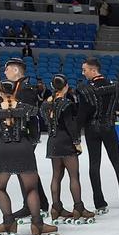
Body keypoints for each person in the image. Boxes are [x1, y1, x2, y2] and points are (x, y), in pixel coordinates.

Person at [0, 79, 59, 235]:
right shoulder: (28, 109)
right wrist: (25, 144)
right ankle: (37, 225)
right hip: (24, 149)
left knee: (0, 188)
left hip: (3, 150)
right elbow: (35, 134)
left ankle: (9, 223)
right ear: (16, 91)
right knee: (31, 189)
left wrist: (0, 144)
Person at [76, 57, 119, 214]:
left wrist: (76, 136)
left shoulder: (85, 89)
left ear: (94, 70)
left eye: (85, 69)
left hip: (92, 129)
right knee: (117, 162)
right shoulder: (115, 86)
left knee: (94, 165)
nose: (83, 73)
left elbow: (82, 114)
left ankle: (100, 203)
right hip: (109, 127)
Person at [40, 74, 95, 224]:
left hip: (52, 142)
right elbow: (71, 125)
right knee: (74, 176)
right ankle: (78, 207)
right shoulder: (66, 104)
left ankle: (56, 207)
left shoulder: (45, 104)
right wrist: (77, 141)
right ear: (65, 87)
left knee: (56, 176)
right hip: (65, 141)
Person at [1, 58, 50, 222]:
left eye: (7, 69)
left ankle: (31, 206)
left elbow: (31, 115)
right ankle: (40, 204)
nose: (4, 72)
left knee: (23, 170)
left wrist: (32, 140)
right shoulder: (17, 88)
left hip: (25, 136)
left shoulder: (26, 89)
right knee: (27, 170)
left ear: (15, 70)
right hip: (19, 136)